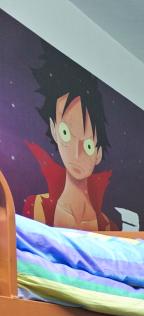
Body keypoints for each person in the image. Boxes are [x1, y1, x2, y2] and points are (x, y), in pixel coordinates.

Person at [24, 42, 115, 230]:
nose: (76, 153)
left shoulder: (107, 225)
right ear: (54, 129)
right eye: (66, 134)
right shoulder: (38, 207)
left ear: (98, 154)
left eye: (88, 146)